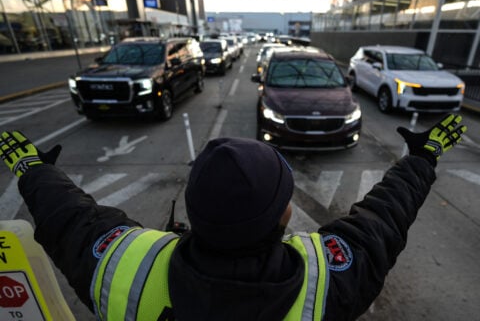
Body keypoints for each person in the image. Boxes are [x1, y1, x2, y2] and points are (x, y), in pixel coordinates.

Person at [0, 114, 466, 321]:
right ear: (284, 215)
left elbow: (67, 219)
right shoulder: (329, 281)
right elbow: (385, 215)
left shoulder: (124, 267)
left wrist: (32, 168)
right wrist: (422, 158)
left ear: (193, 211)